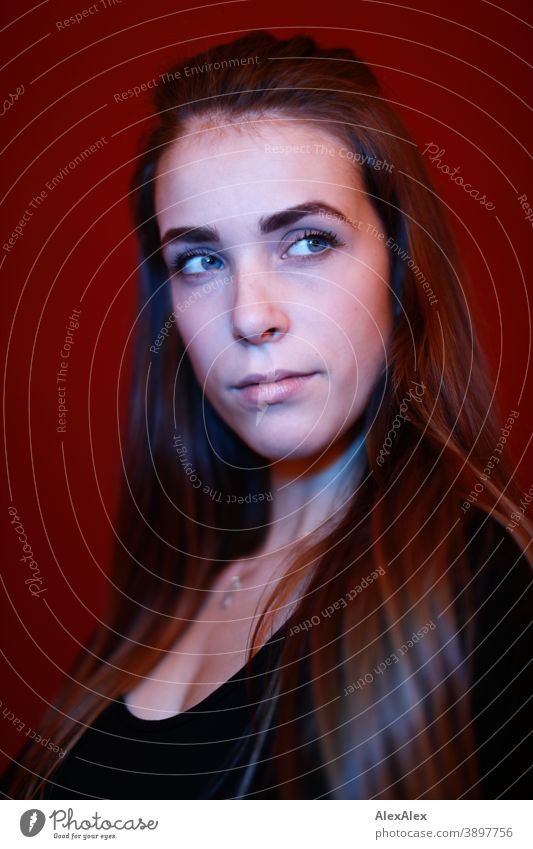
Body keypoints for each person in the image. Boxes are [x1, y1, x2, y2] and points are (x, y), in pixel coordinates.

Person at [2, 30, 532, 800]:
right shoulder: (176, 582)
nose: (249, 315)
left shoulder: (483, 590)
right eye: (200, 259)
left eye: (307, 241)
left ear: (400, 264)